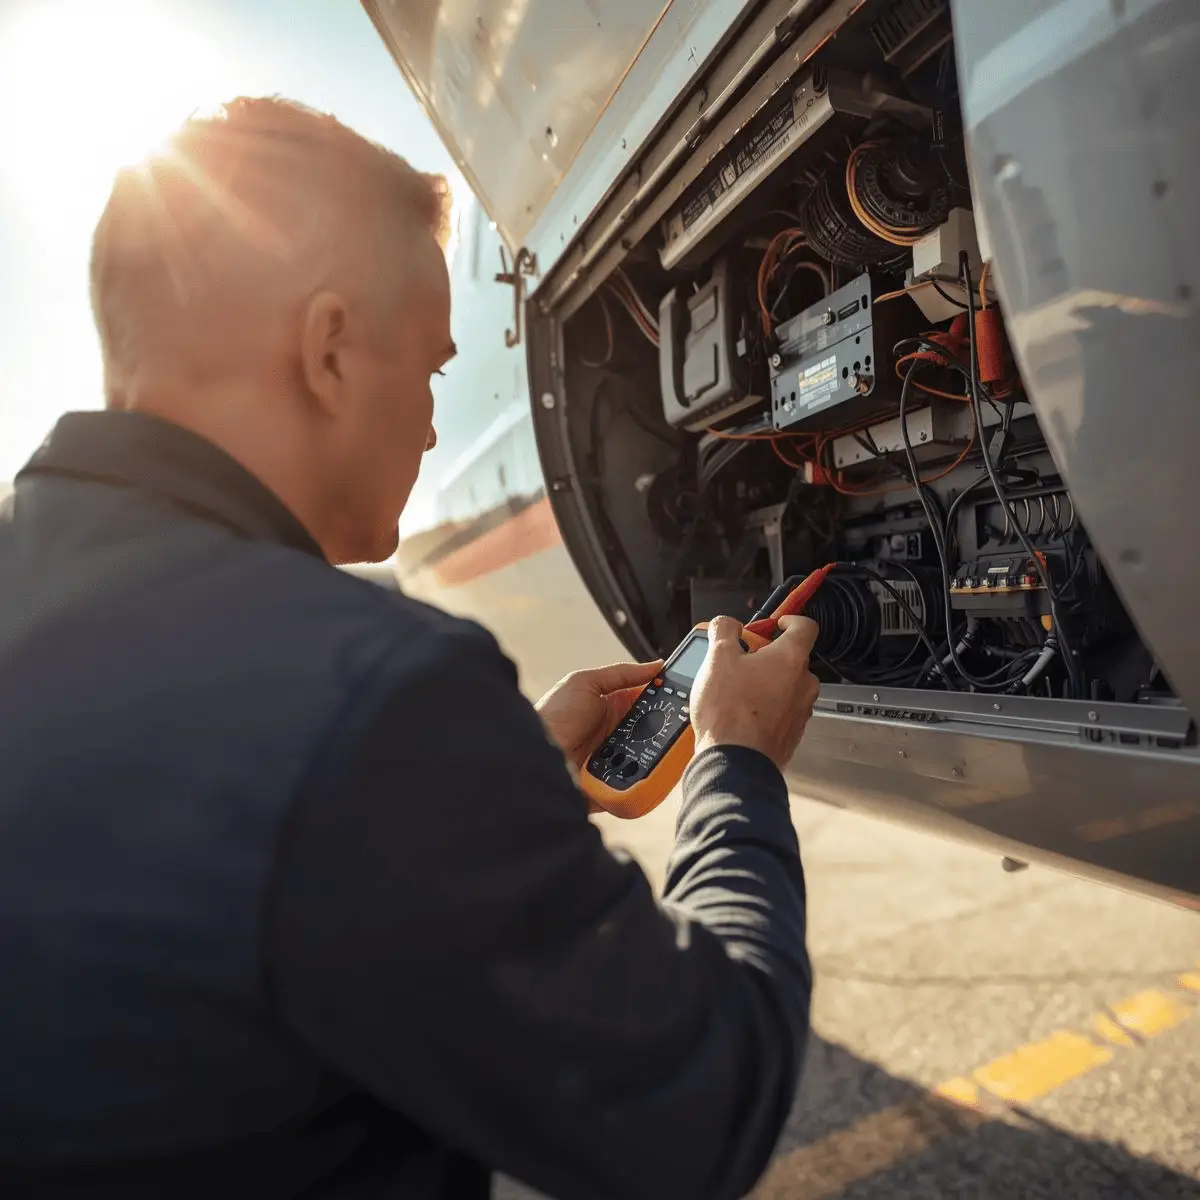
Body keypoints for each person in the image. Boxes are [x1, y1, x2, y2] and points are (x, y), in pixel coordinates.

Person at [0, 98, 820, 1200]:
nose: (436, 424)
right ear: (330, 349)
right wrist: (736, 763)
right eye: (432, 369)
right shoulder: (372, 699)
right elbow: (707, 1102)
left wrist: (502, 779)